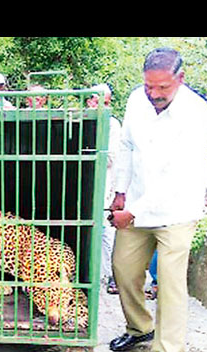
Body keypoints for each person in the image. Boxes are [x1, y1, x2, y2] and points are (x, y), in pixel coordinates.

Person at [107, 48, 207, 352]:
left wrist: (132, 211)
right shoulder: (137, 99)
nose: (154, 95)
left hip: (177, 210)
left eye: (162, 89)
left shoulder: (196, 113)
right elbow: (126, 146)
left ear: (180, 80)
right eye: (149, 86)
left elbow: (177, 176)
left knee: (169, 284)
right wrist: (120, 192)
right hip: (137, 202)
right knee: (122, 268)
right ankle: (140, 328)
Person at [86, 83, 122, 295]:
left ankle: (111, 276)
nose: (102, 106)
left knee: (105, 231)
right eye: (99, 101)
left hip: (103, 184)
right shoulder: (81, 119)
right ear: (90, 100)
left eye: (107, 103)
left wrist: (92, 154)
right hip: (81, 183)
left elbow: (110, 157)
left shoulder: (112, 125)